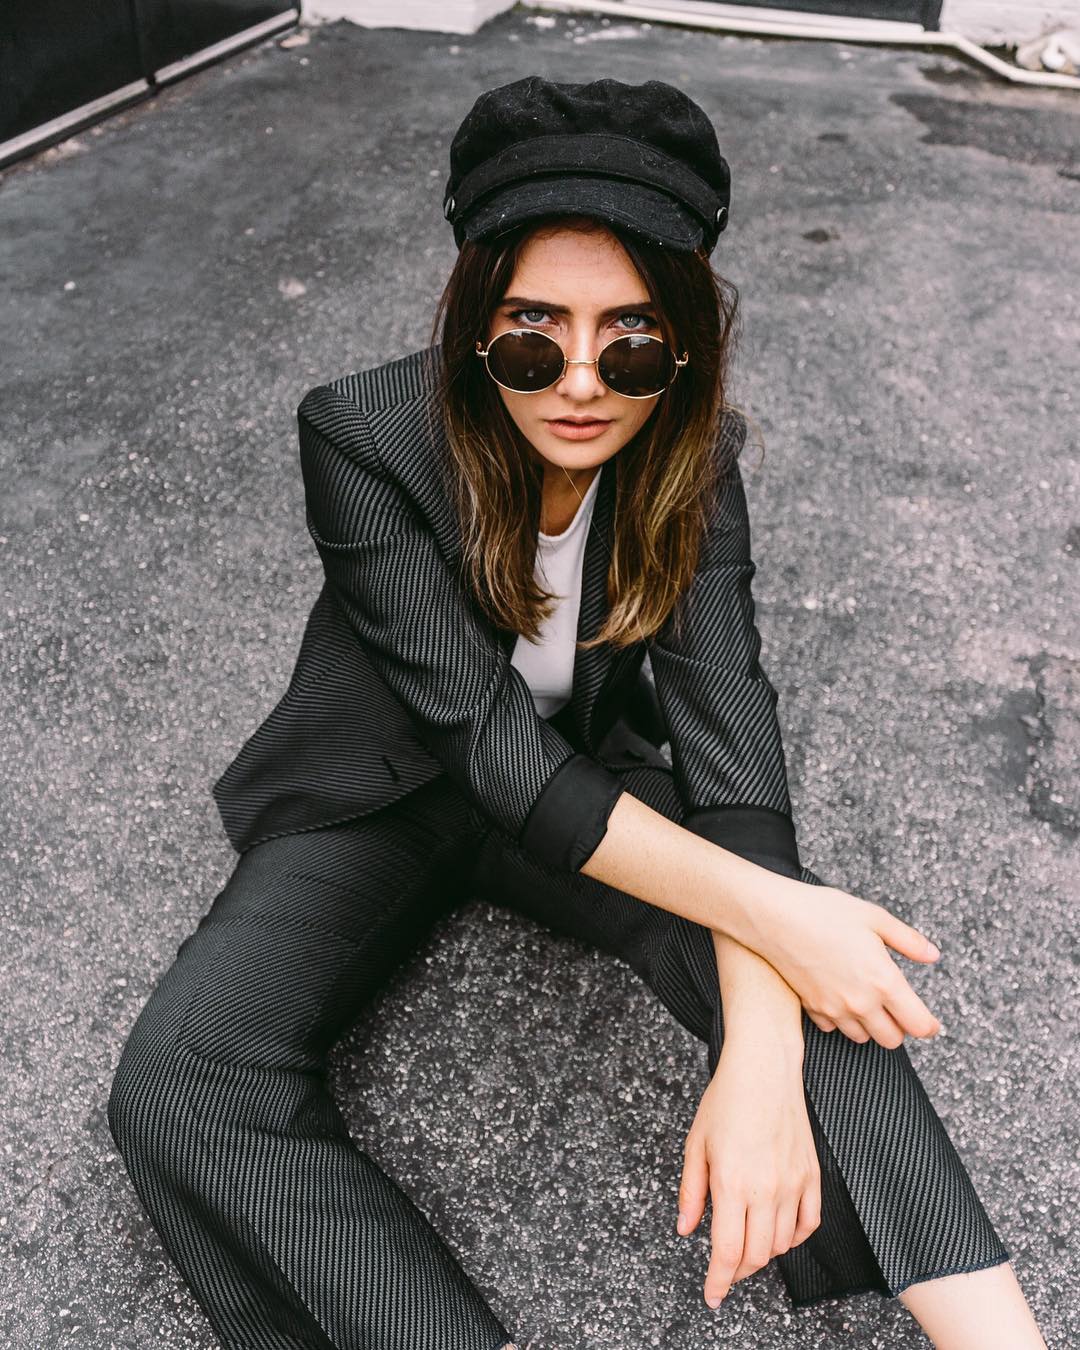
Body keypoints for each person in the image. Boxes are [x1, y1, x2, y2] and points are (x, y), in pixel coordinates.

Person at [107, 76, 1047, 1350]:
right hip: (386, 786)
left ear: (688, 345)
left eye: (636, 339)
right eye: (533, 334)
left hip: (584, 779)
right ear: (473, 326)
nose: (584, 382)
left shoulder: (692, 450)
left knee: (824, 981)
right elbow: (486, 750)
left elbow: (728, 724)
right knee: (178, 1082)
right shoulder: (361, 433)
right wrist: (776, 914)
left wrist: (763, 1050)